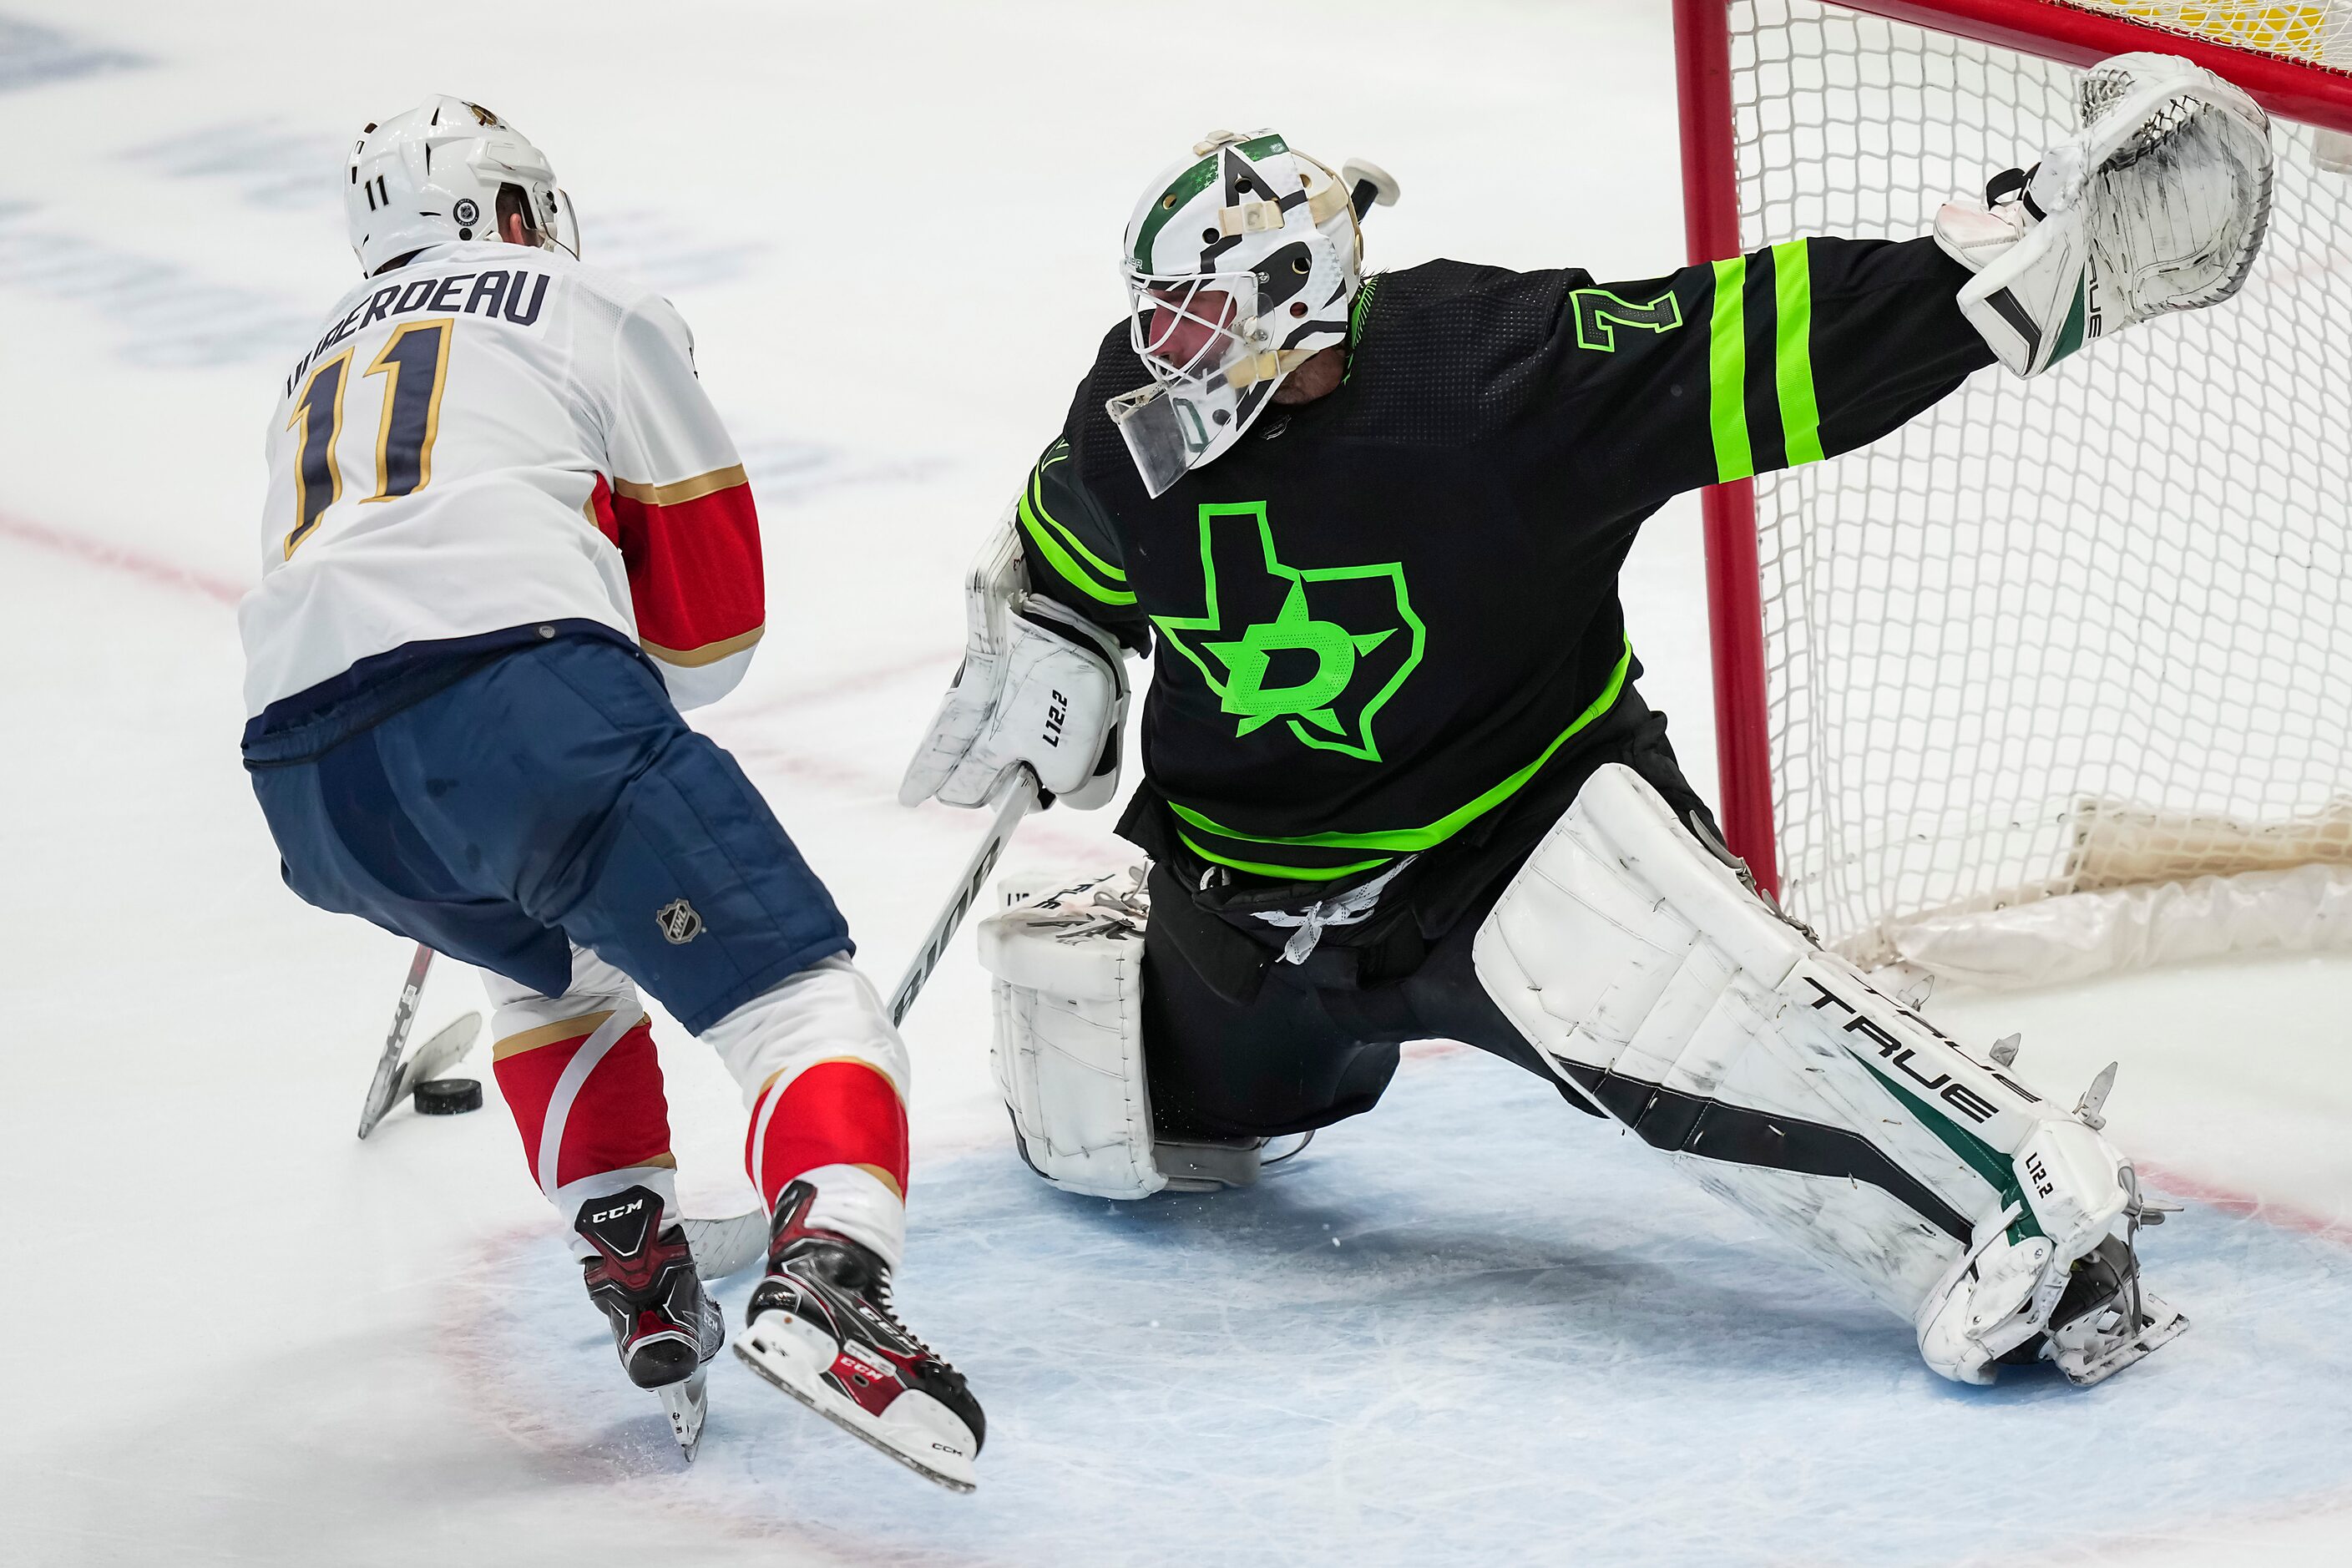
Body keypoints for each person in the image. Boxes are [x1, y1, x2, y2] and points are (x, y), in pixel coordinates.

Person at [903, 55, 2274, 1389]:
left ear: (1296, 308)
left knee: (1738, 1050)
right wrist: (1049, 624)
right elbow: (1082, 521)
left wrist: (1988, 270)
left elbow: (1750, 336)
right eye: (1159, 313)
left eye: (1198, 318)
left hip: (1516, 847)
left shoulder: (1491, 382)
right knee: (1123, 1131)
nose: (1165, 347)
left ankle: (2024, 1189)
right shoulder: (1140, 398)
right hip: (1249, 894)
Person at [240, 97, 981, 1486]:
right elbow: (711, 631)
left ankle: (634, 1259)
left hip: (311, 790)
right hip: (518, 707)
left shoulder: (310, 356)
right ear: (504, 211)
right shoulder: (580, 299)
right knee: (801, 999)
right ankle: (835, 1285)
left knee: (551, 970)